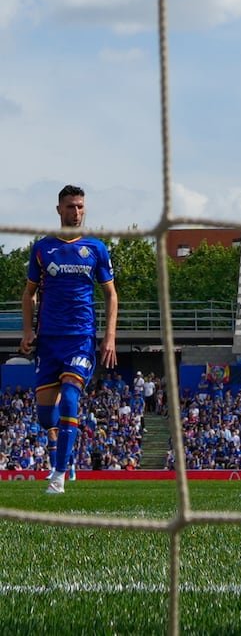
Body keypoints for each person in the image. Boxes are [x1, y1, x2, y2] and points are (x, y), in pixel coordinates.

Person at [21, 185, 119, 495]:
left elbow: (110, 294)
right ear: (58, 209)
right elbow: (29, 293)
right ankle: (60, 449)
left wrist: (110, 337)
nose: (75, 212)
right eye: (70, 207)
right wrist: (27, 331)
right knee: (45, 415)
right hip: (49, 340)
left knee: (72, 397)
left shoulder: (96, 248)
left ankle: (59, 475)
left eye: (80, 207)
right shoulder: (42, 248)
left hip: (80, 338)